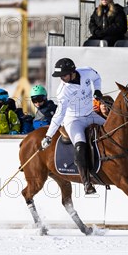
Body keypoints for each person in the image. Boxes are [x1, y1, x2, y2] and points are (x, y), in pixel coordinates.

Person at [40, 58, 106, 194]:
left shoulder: (87, 72)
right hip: (73, 120)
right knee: (80, 145)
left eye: (64, 75)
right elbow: (59, 115)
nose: (62, 79)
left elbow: (97, 77)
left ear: (72, 72)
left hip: (90, 114)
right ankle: (87, 183)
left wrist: (98, 90)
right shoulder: (63, 91)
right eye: (60, 77)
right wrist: (48, 135)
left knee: (112, 129)